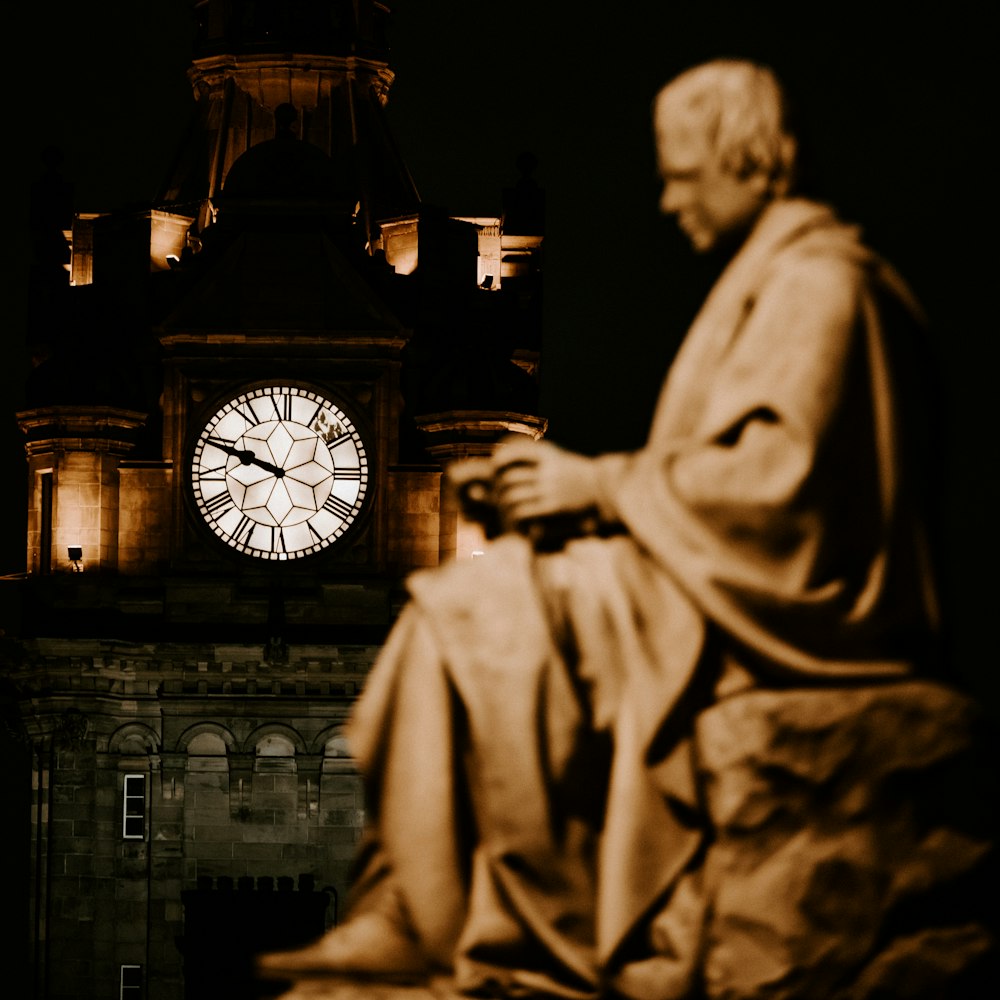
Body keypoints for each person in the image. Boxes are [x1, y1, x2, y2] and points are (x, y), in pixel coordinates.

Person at [257, 59, 941, 998]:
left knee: (480, 611)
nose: (666, 200)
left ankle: (463, 910)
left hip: (780, 595)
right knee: (463, 600)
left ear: (753, 164)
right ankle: (423, 905)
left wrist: (598, 487)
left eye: (686, 174)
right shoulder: (768, 286)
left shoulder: (820, 288)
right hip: (711, 566)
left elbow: (784, 484)